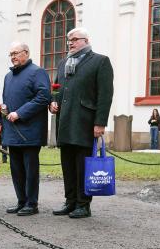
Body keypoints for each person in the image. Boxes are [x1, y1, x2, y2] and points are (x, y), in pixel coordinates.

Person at [49, 27, 114, 219]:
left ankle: (83, 204)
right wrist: (52, 102)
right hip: (65, 121)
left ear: (86, 41)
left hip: (85, 121)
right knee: (67, 164)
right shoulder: (63, 63)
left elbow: (105, 95)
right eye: (69, 39)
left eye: (75, 39)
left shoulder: (100, 61)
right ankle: (70, 202)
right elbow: (56, 88)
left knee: (83, 164)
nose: (71, 42)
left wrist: (100, 123)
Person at [1, 41, 51, 216]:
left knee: (30, 170)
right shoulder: (8, 76)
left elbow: (44, 97)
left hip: (30, 131)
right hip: (12, 130)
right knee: (16, 169)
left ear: (26, 53)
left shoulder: (38, 72)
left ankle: (32, 203)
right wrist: (5, 109)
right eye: (11, 54)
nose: (13, 56)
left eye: (16, 53)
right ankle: (21, 201)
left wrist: (20, 113)